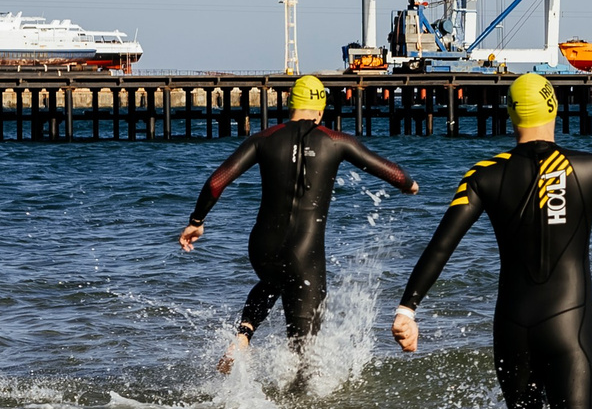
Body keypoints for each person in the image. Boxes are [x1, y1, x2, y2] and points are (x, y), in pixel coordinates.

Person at [392, 74, 592, 409]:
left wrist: (407, 310)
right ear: (554, 108)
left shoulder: (483, 174)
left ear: (511, 114)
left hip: (511, 327)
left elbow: (441, 245)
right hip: (568, 324)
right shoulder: (590, 168)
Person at [178, 74, 417, 386]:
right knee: (304, 354)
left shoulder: (263, 139)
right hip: (306, 255)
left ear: (292, 106)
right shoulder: (336, 141)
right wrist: (409, 185)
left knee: (272, 279)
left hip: (262, 247)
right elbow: (394, 174)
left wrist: (197, 222)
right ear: (320, 111)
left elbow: (216, 182)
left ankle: (243, 336)